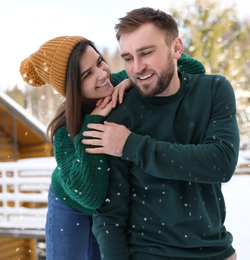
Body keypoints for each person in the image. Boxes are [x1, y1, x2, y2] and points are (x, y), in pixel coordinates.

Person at [20, 36, 205, 260]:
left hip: (113, 207)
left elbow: (195, 69)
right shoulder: (65, 130)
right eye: (87, 75)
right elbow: (90, 196)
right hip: (71, 202)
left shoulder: (120, 81)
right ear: (71, 89)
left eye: (99, 62)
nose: (101, 74)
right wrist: (93, 122)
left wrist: (133, 80)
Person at [82, 7, 239, 260]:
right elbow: (110, 215)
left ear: (177, 48)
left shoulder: (214, 91)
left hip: (216, 252)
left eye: (146, 53)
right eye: (128, 58)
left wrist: (131, 145)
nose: (136, 67)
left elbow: (221, 162)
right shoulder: (119, 114)